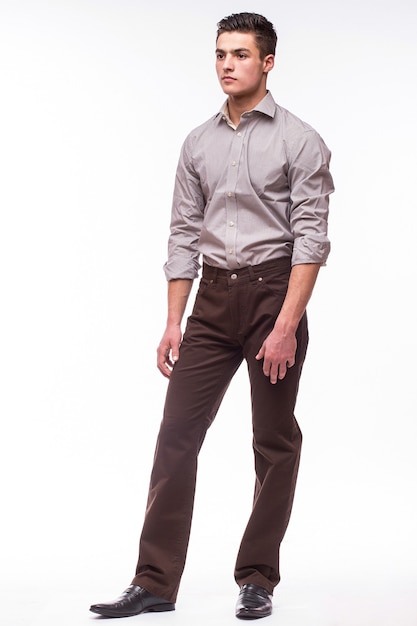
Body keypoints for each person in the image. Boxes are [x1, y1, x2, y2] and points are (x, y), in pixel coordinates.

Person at [90, 11, 334, 620]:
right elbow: (182, 235)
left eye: (242, 54)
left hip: (273, 297)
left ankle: (257, 579)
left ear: (268, 63)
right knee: (175, 438)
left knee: (274, 441)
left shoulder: (300, 140)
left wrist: (283, 327)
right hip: (211, 303)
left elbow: (310, 241)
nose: (228, 64)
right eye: (221, 54)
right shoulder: (197, 142)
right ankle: (153, 583)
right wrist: (174, 321)